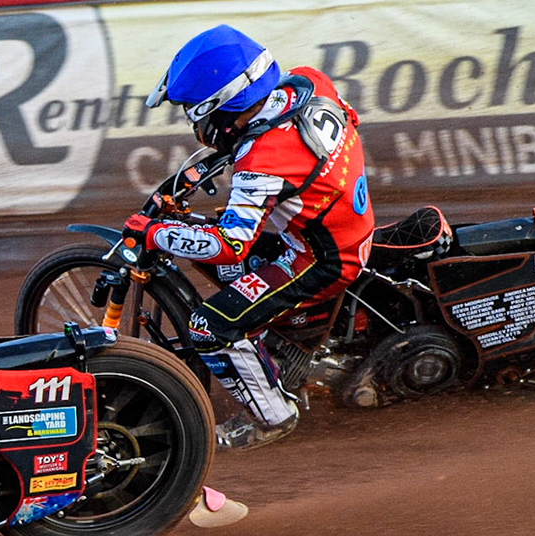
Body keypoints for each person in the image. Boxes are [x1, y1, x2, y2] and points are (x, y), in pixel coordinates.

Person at [134, 25, 377, 450]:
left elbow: (231, 244)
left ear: (220, 106)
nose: (194, 123)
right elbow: (290, 142)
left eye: (193, 112)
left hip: (322, 259)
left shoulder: (260, 163)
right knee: (215, 244)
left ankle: (273, 416)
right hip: (342, 223)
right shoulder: (308, 82)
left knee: (207, 326)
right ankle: (277, 345)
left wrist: (155, 233)